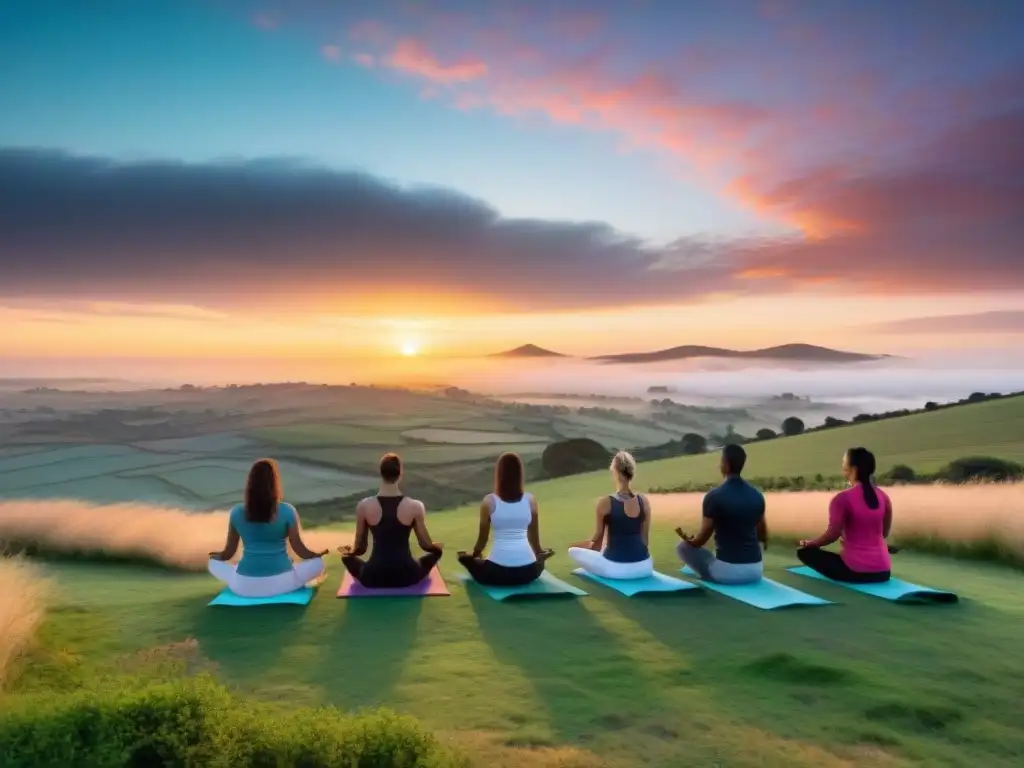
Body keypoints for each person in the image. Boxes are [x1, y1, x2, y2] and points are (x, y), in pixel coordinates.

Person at [208, 458, 328, 597]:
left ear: (250, 484)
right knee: (318, 564)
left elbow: (228, 553)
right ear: (274, 483)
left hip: (244, 586)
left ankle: (241, 573)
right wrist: (316, 555)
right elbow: (300, 551)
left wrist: (216, 557)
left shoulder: (236, 512)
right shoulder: (287, 511)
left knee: (213, 563)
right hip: (282, 584)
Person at [338, 452, 444, 588]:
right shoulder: (415, 506)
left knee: (346, 557)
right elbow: (425, 545)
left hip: (373, 576)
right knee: (437, 552)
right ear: (400, 474)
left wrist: (349, 552)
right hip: (408, 575)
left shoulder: (364, 506)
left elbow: (360, 548)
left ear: (381, 473)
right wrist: (437, 547)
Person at [675, 444, 767, 584]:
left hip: (727, 574)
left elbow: (702, 539)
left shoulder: (714, 496)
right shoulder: (757, 495)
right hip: (756, 571)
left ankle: (709, 575)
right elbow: (763, 536)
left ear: (726, 464)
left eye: (721, 461)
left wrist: (689, 540)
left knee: (681, 547)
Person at [458, 452, 554, 586]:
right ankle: (541, 560)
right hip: (529, 572)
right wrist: (539, 554)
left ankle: (471, 559)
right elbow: (534, 538)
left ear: (499, 474)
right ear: (520, 474)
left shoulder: (489, 501)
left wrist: (475, 554)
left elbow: (483, 539)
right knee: (539, 562)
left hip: (496, 573)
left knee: (463, 558)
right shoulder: (530, 500)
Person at [797, 447, 892, 583]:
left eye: (843, 462)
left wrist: (811, 543)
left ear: (852, 469)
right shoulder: (884, 497)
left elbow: (832, 534)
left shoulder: (842, 499)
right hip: (883, 572)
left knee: (804, 552)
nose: (842, 465)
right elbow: (884, 533)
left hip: (855, 572)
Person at [567, 451, 653, 579]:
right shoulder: (644, 501)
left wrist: (577, 545)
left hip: (617, 569)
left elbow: (596, 545)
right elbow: (645, 542)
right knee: (605, 551)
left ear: (615, 472)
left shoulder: (605, 502)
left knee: (572, 551)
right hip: (645, 567)